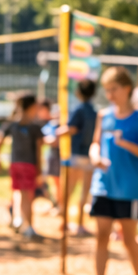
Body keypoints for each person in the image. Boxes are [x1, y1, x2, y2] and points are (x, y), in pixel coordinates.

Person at [86, 67, 138, 275]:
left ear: (127, 88)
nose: (110, 94)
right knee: (101, 237)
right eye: (107, 90)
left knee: (128, 239)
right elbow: (95, 144)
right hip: (103, 186)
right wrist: (95, 157)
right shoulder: (103, 115)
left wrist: (126, 144)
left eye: (114, 89)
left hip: (128, 190)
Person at [0, 93, 46, 240]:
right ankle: (27, 226)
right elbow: (39, 151)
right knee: (27, 195)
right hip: (29, 165)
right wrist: (40, 170)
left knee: (19, 193)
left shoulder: (12, 124)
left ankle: (18, 219)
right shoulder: (34, 127)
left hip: (15, 164)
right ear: (32, 107)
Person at [59, 79, 99, 238]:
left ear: (78, 92)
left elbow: (72, 128)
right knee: (84, 192)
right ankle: (80, 224)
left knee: (69, 190)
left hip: (76, 155)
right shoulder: (94, 111)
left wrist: (56, 132)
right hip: (89, 155)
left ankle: (64, 222)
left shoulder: (79, 109)